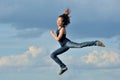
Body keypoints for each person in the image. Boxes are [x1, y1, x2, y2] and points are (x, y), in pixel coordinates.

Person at [50, 9, 105, 75]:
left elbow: (58, 39)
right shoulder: (59, 27)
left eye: (60, 21)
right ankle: (63, 67)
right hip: (63, 46)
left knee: (79, 45)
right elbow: (63, 18)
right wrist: (65, 14)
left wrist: (52, 34)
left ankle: (95, 42)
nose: (58, 22)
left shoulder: (62, 29)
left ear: (63, 22)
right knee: (52, 55)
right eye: (57, 20)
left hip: (67, 44)